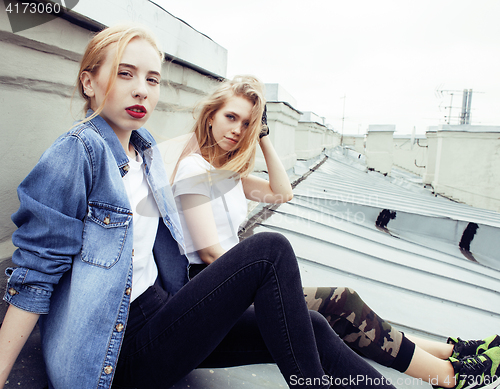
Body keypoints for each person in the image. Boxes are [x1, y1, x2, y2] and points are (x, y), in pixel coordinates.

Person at [0, 24, 400, 389]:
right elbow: (35, 274)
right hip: (117, 354)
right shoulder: (78, 151)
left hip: (165, 317)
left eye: (152, 79)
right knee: (270, 250)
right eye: (126, 73)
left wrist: (255, 136)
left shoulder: (146, 150)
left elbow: (268, 187)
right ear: (88, 81)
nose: (142, 90)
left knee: (310, 323)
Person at [170, 75, 500, 389]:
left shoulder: (226, 172)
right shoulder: (194, 169)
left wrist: (264, 136)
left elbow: (282, 192)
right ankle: (449, 374)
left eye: (246, 124)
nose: (237, 130)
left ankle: (448, 354)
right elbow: (211, 253)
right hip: (214, 290)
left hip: (238, 284)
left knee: (343, 303)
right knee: (341, 303)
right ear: (210, 116)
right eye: (231, 117)